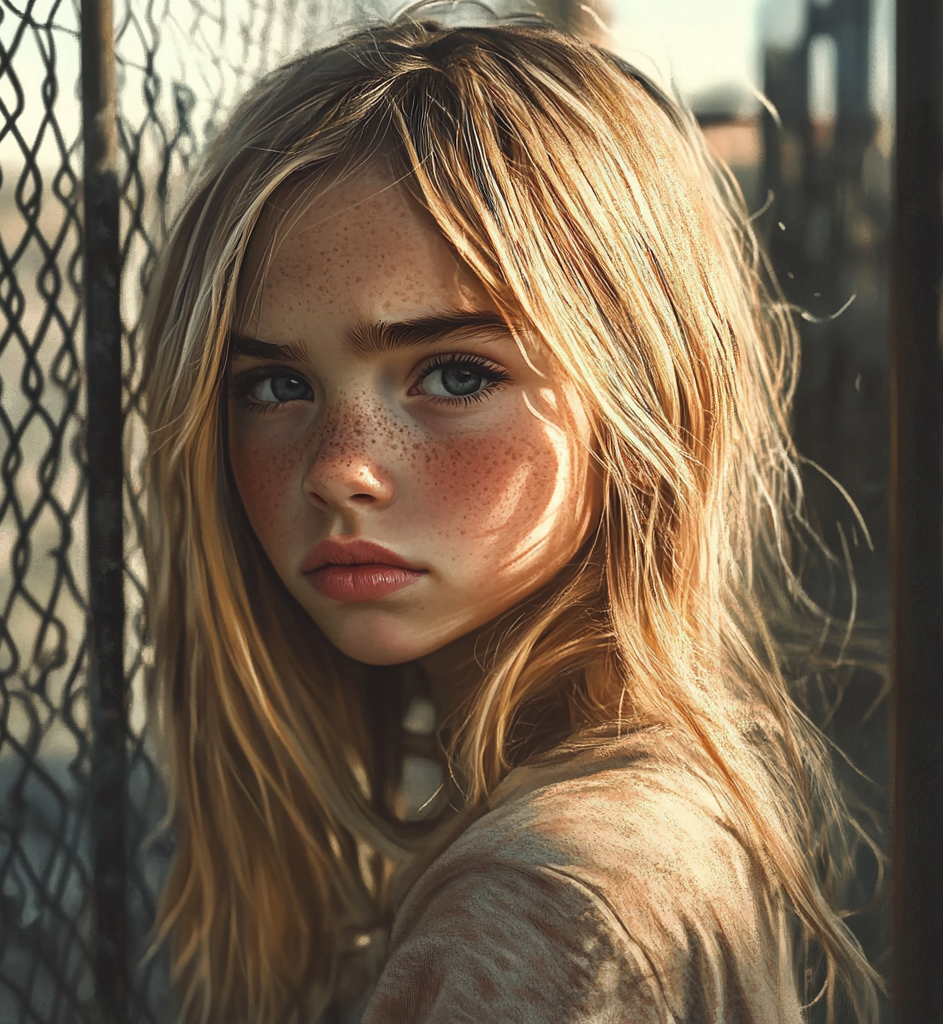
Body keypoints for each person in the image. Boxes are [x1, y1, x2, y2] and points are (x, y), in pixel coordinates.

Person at [140, 10, 883, 1023]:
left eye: (454, 372)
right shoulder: (651, 798)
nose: (340, 471)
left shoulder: (539, 920)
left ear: (644, 397)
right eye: (273, 386)